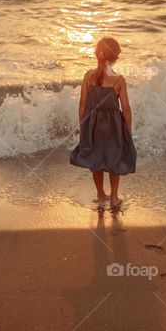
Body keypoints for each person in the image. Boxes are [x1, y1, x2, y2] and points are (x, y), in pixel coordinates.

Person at [70, 37, 136, 211]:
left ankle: (100, 195)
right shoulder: (118, 80)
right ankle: (114, 198)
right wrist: (127, 132)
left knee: (96, 159)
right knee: (114, 159)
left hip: (93, 125)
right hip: (114, 127)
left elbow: (82, 104)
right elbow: (127, 109)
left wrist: (83, 125)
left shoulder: (88, 76)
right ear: (114, 58)